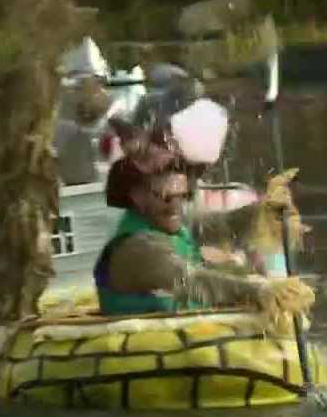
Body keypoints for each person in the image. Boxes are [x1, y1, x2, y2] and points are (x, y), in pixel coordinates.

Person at [93, 123, 313, 319]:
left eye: (184, 196)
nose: (176, 206)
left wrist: (264, 210)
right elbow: (191, 281)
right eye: (166, 197)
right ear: (136, 196)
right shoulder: (139, 246)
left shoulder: (164, 222)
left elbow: (220, 225)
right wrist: (259, 290)